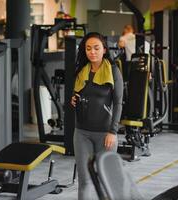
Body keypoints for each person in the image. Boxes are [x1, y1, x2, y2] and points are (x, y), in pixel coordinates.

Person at [71, 32, 124, 200]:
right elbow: (79, 95)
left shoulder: (113, 71)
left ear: (104, 49)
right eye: (88, 48)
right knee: (85, 181)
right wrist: (74, 99)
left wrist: (113, 132)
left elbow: (118, 103)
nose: (92, 52)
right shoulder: (82, 71)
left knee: (106, 181)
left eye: (96, 48)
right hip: (82, 133)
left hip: (105, 134)